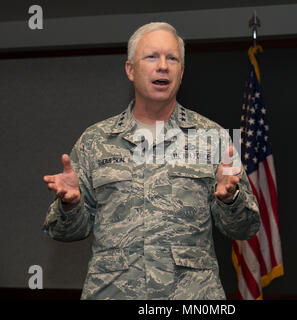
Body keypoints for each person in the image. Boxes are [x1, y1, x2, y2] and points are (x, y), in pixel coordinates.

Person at [43, 22, 260, 300]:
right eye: (151, 57)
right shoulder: (94, 141)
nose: (163, 66)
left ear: (181, 72)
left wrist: (231, 199)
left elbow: (246, 228)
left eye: (172, 59)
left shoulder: (214, 138)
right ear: (130, 70)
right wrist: (70, 205)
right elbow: (63, 231)